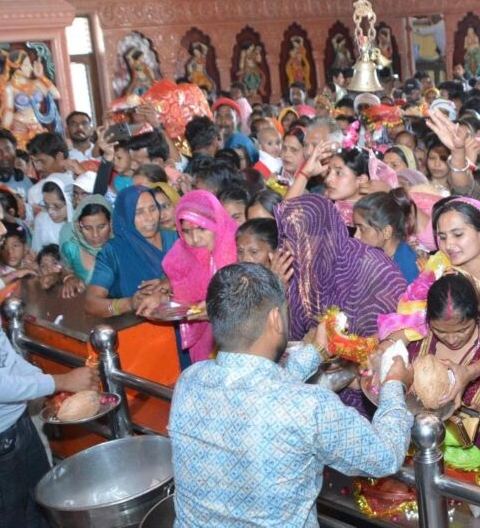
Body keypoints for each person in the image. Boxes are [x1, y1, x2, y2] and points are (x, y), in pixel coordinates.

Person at [169, 262, 413, 528]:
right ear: (275, 318)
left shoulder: (189, 381)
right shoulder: (308, 407)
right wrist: (393, 383)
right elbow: (385, 456)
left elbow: (259, 387)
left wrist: (317, 351)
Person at [379, 197, 480, 405]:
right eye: (442, 237)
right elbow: (411, 323)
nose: (448, 245)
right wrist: (386, 350)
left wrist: (468, 372)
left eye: (458, 234)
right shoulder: (437, 275)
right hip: (437, 380)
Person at [275, 194, 406, 410]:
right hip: (308, 389)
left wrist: (352, 362)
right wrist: (278, 290)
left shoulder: (373, 268)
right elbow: (285, 338)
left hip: (362, 395)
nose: (290, 248)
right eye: (286, 239)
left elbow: (396, 331)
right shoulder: (297, 270)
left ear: (324, 234)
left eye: (299, 239)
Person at [0, 289, 98, 528]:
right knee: (11, 517)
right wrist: (60, 382)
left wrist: (45, 384)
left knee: (42, 502)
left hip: (18, 422)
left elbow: (8, 359)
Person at [408, 272, 480, 467]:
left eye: (463, 330)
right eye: (440, 330)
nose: (452, 339)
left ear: (477, 316)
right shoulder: (418, 341)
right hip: (424, 454)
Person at [163, 190, 238, 364]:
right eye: (186, 231)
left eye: (201, 228)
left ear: (216, 223)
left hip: (236, 343)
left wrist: (216, 309)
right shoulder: (182, 254)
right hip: (203, 346)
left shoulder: (240, 249)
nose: (195, 239)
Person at [84, 186, 178, 318]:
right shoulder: (114, 251)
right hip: (134, 330)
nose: (149, 218)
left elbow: (201, 275)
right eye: (139, 212)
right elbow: (91, 303)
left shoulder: (175, 240)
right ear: (125, 216)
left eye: (153, 209)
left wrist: (170, 282)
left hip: (181, 325)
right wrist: (129, 303)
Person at [353, 188, 421, 284]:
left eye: (362, 229)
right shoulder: (375, 258)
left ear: (386, 232)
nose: (356, 236)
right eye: (355, 229)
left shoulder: (407, 268)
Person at [60, 195, 112, 283]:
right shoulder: (71, 249)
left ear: (111, 223)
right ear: (78, 226)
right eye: (87, 228)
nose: (95, 235)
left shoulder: (121, 249)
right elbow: (65, 272)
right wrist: (69, 279)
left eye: (101, 226)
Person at [31, 175, 73, 253]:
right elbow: (36, 253)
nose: (50, 211)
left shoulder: (82, 224)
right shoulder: (41, 220)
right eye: (46, 205)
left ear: (69, 202)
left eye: (56, 206)